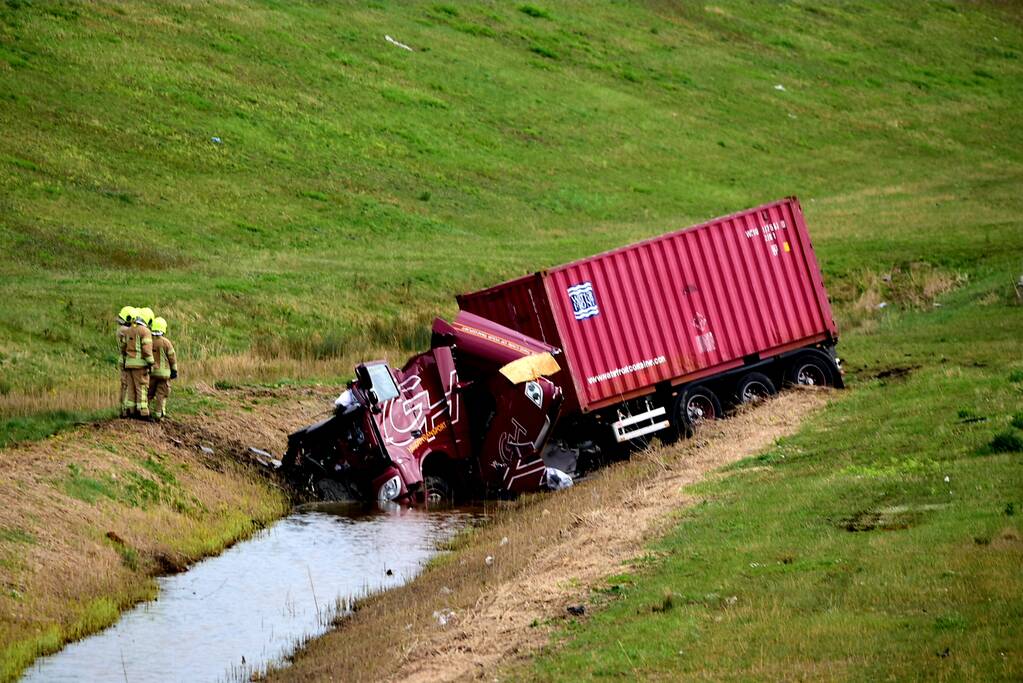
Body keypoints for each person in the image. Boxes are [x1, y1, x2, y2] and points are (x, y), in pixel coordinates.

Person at [121, 307, 155, 418]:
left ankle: (129, 411)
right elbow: (146, 350)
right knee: (142, 387)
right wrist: (151, 363)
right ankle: (143, 412)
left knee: (130, 389)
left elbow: (123, 347)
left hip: (129, 364)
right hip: (140, 365)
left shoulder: (129, 330)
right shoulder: (145, 331)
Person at [148, 317, 178, 421]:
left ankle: (144, 412)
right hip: (164, 374)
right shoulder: (166, 342)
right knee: (161, 394)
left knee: (149, 393)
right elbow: (172, 358)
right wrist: (174, 371)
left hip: (152, 373)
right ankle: (158, 414)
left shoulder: (149, 341)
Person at [116, 306, 137, 417]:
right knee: (126, 385)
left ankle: (125, 409)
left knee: (126, 385)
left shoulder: (123, 330)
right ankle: (125, 410)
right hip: (126, 361)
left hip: (125, 360)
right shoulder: (125, 331)